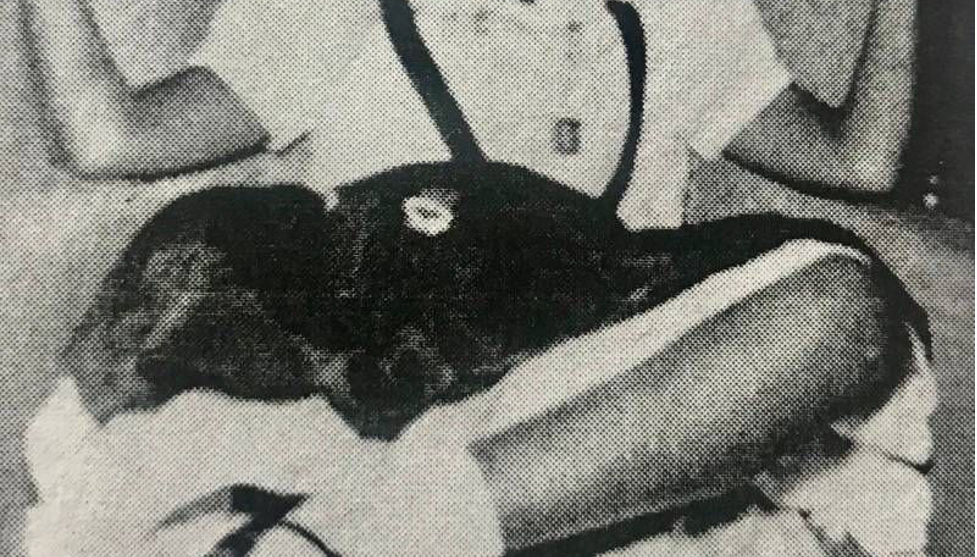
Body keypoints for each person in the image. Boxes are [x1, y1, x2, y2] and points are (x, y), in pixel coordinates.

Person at [19, 0, 932, 556]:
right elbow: (112, 135)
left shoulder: (679, 14)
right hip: (392, 381)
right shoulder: (334, 12)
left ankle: (355, 541)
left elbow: (857, 161)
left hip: (600, 406)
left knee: (849, 309)